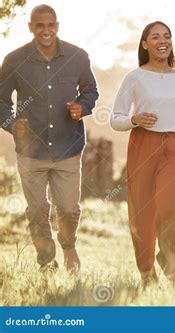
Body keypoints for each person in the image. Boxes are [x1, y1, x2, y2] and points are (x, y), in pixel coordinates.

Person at [0, 4, 99, 273]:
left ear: (57, 25)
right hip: (31, 151)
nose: (46, 31)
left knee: (68, 208)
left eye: (51, 25)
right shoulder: (14, 60)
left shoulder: (77, 56)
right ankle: (46, 261)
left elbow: (90, 91)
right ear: (30, 27)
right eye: (40, 25)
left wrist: (82, 107)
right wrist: (11, 123)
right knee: (37, 211)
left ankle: (68, 246)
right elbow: (0, 100)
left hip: (68, 147)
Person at [110, 21, 175, 286]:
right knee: (143, 209)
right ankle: (146, 271)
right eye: (156, 37)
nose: (163, 41)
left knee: (170, 204)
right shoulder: (135, 77)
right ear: (145, 44)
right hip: (143, 144)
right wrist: (134, 118)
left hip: (173, 145)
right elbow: (116, 119)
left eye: (167, 36)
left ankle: (170, 262)